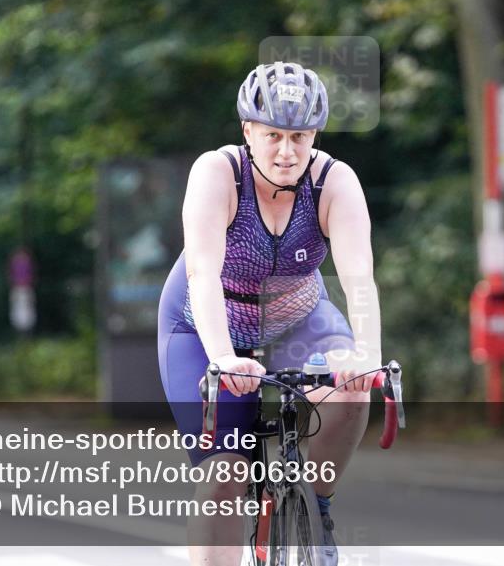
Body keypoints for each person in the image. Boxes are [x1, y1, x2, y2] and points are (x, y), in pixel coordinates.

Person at [157, 61, 382, 566]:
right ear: (247, 131)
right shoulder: (217, 173)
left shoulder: (333, 181)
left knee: (353, 388)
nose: (286, 151)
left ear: (315, 135)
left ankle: (316, 506)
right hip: (204, 324)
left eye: (300, 137)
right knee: (225, 474)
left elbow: (359, 280)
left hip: (298, 316)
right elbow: (204, 276)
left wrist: (367, 354)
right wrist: (222, 359)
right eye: (274, 135)